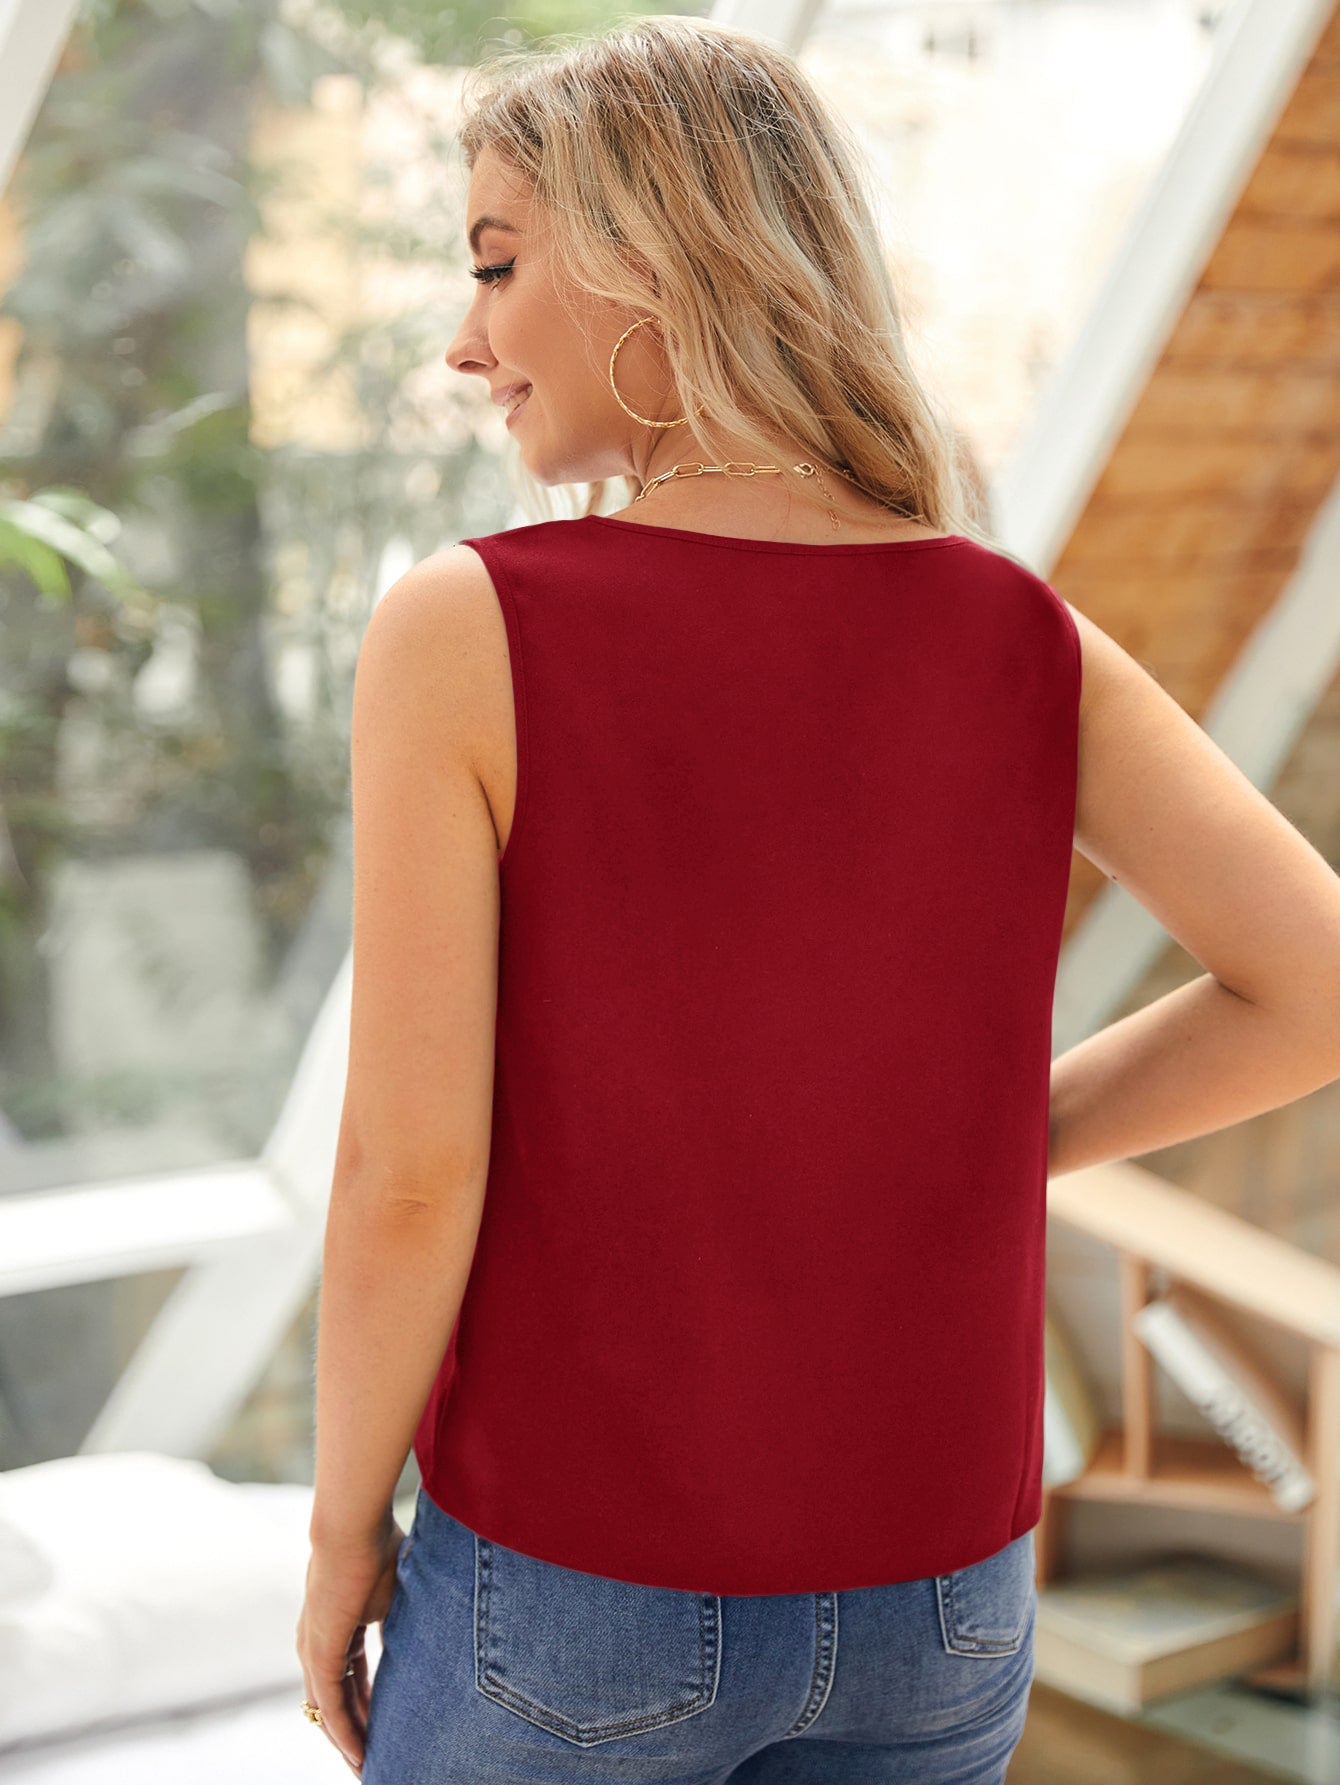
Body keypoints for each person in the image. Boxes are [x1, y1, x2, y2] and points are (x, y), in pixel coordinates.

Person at [294, 16, 1340, 1783]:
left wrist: (340, 1538)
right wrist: (992, 1142)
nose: (468, 343)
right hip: (943, 1612)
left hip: (578, 1593)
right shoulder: (1021, 634)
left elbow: (409, 1174)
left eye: (497, 263)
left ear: (648, 257)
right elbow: (1316, 981)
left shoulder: (468, 628)